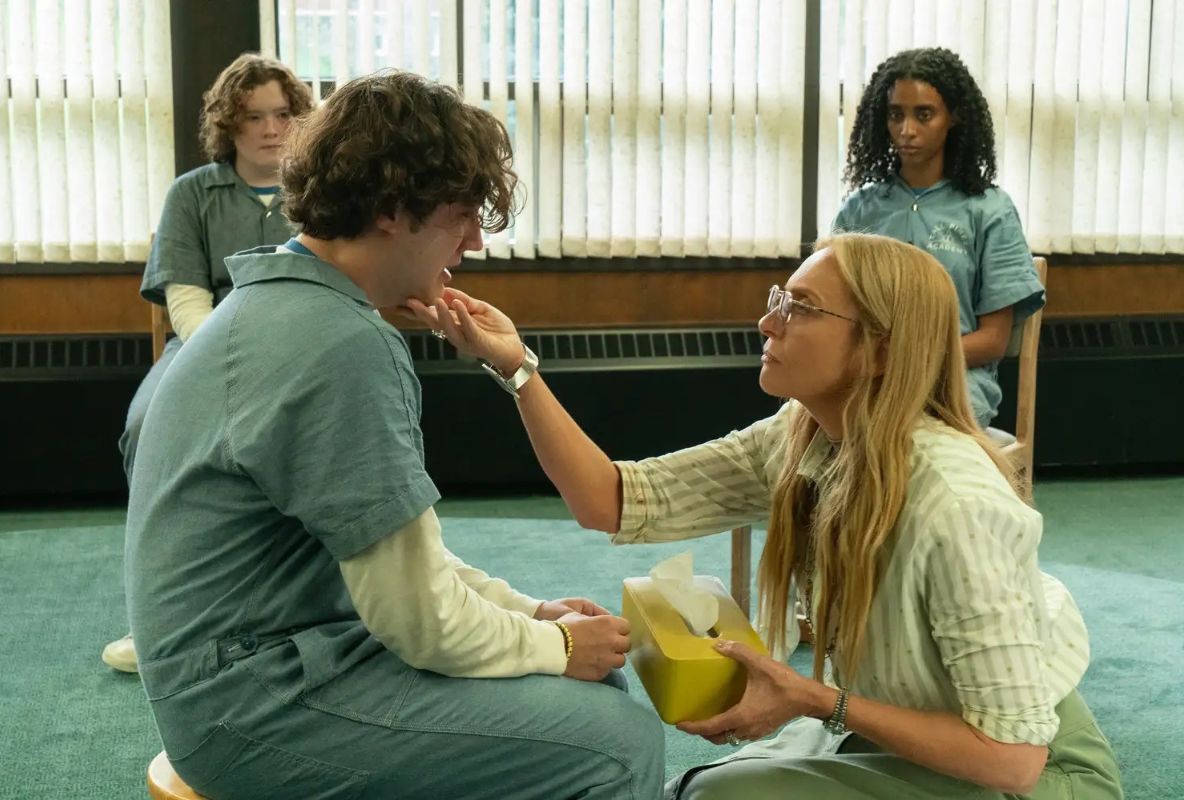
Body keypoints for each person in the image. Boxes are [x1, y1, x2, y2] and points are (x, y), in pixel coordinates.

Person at [411, 233, 1123, 799]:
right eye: (780, 297)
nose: (766, 320)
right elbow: (612, 499)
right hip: (897, 729)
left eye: (802, 308)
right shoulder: (802, 434)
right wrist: (515, 368)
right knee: (693, 791)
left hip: (1031, 775)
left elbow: (1015, 759)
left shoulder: (959, 503)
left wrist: (814, 700)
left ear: (879, 348)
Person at [124, 71, 664, 800]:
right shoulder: (340, 344)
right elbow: (419, 619)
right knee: (614, 741)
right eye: (461, 214)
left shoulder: (273, 304)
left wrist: (528, 613)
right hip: (253, 709)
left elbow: (398, 560)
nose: (474, 239)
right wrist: (556, 644)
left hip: (247, 671)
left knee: (589, 703)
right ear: (389, 208)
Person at [102, 53, 315, 673]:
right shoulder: (191, 194)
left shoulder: (323, 190)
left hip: (304, 339)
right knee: (146, 427)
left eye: (282, 114)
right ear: (229, 124)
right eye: (253, 117)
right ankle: (159, 619)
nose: (271, 129)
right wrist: (222, 360)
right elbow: (186, 299)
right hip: (202, 344)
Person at [834, 47, 1045, 429]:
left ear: (954, 117)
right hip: (869, 377)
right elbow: (833, 315)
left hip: (955, 382)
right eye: (895, 114)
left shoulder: (990, 210)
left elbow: (993, 340)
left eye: (924, 114)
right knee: (807, 423)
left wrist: (906, 360)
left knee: (899, 429)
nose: (906, 130)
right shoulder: (859, 210)